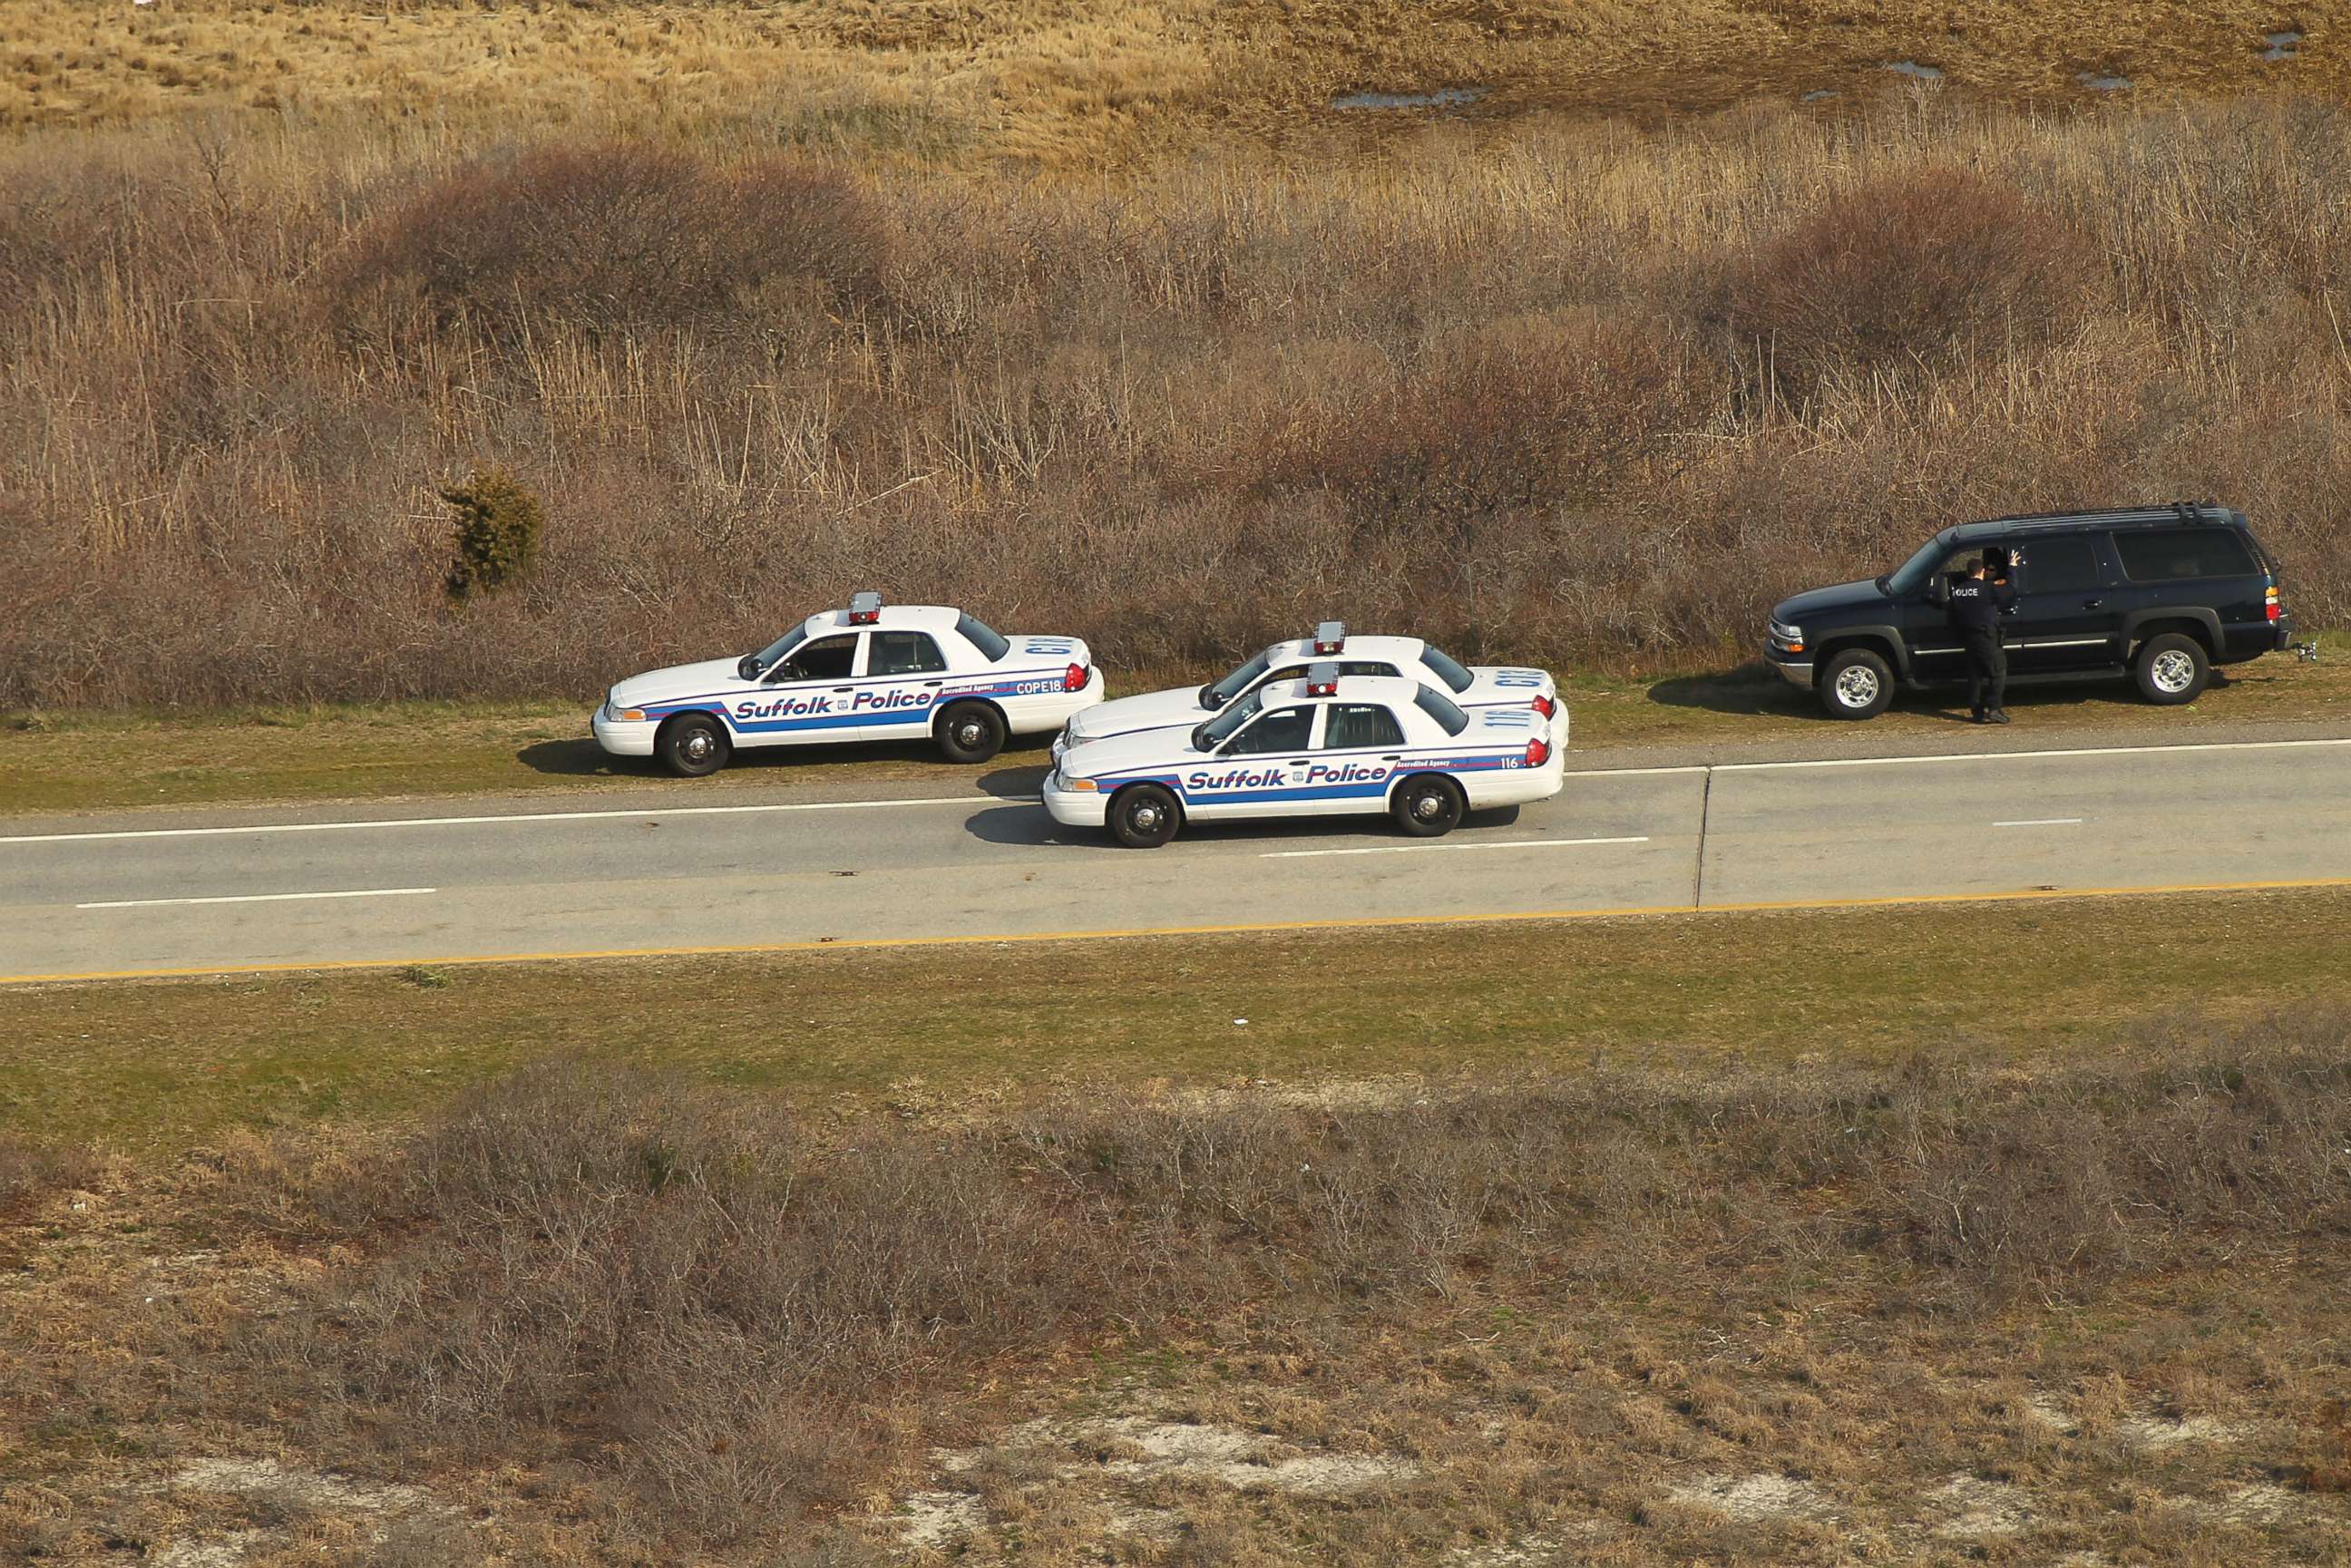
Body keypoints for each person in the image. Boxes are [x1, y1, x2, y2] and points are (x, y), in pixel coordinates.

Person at [1946, 547, 2016, 723]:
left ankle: (1976, 712)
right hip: (1987, 638)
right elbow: (2010, 590)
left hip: (1968, 640)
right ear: (1982, 572)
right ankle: (1994, 709)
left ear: (1967, 572)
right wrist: (2012, 568)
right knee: (1998, 672)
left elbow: (1952, 616)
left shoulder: (1957, 591)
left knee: (1975, 676)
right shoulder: (1987, 589)